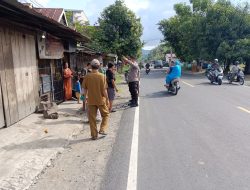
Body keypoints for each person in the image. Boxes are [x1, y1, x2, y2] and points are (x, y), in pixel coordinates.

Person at [83, 59, 110, 140]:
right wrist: (107, 99)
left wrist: (84, 99)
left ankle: (94, 135)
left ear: (91, 66)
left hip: (91, 100)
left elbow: (85, 89)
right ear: (99, 66)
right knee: (105, 115)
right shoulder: (102, 76)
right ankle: (102, 129)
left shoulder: (87, 76)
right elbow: (104, 90)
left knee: (92, 118)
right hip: (101, 100)